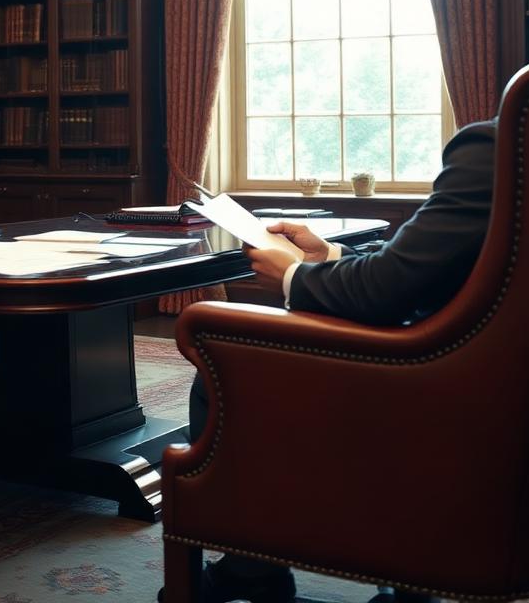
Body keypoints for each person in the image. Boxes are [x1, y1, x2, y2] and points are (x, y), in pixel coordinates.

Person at [188, 119, 496, 603]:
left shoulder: (496, 146)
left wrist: (293, 274)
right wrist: (327, 255)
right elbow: (440, 271)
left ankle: (251, 570)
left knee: (223, 360)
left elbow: (387, 293)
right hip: (513, 378)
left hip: (443, 388)